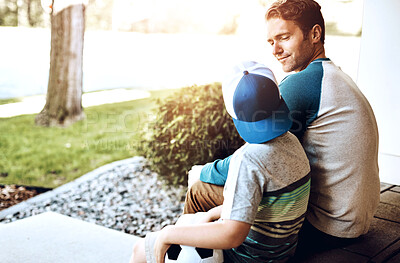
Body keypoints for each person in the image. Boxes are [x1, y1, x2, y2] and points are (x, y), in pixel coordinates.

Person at [185, 0, 380, 260]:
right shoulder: (331, 76)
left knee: (200, 188)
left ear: (314, 34)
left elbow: (257, 156)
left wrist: (202, 171)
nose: (275, 50)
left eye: (284, 38)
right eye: (270, 42)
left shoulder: (303, 85)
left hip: (327, 225)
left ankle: (183, 253)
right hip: (353, 218)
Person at [130, 61, 311, 263]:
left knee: (140, 249)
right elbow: (269, 206)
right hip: (280, 253)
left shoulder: (248, 159)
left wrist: (169, 234)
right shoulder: (292, 142)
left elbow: (232, 235)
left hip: (247, 258)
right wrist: (215, 213)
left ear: (232, 113)